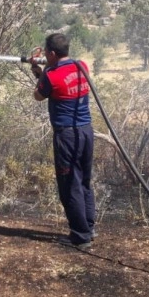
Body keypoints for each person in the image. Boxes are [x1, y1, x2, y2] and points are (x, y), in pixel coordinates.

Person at [31, 33, 96, 248]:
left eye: (46, 54)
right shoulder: (82, 66)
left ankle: (80, 236)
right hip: (86, 132)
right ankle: (88, 226)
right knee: (84, 181)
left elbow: (39, 95)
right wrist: (44, 70)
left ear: (50, 53)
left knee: (70, 185)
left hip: (67, 135)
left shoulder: (51, 75)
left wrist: (38, 71)